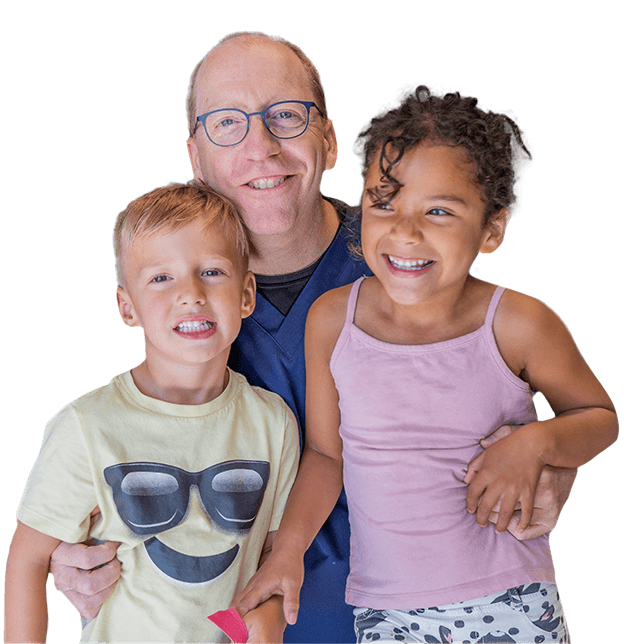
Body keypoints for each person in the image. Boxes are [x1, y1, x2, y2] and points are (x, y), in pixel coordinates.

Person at [48, 34, 580, 644]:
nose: (261, 146)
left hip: (452, 608)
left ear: (327, 139)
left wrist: (548, 458)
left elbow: (511, 389)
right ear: (195, 157)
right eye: (227, 123)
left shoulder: (404, 258)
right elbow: (136, 452)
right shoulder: (181, 302)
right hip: (259, 619)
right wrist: (77, 554)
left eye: (286, 116)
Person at [235, 86, 619, 643]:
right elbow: (324, 455)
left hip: (508, 600)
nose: (404, 231)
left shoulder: (517, 323)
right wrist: (286, 551)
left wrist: (536, 445)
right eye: (383, 203)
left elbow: (598, 416)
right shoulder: (331, 320)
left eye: (438, 210)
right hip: (383, 609)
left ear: (492, 229)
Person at [4, 183, 299, 643]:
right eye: (161, 278)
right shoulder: (87, 426)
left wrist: (267, 619)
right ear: (127, 307)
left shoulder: (273, 423)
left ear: (246, 294)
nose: (191, 293)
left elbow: (278, 556)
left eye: (212, 271)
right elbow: (27, 560)